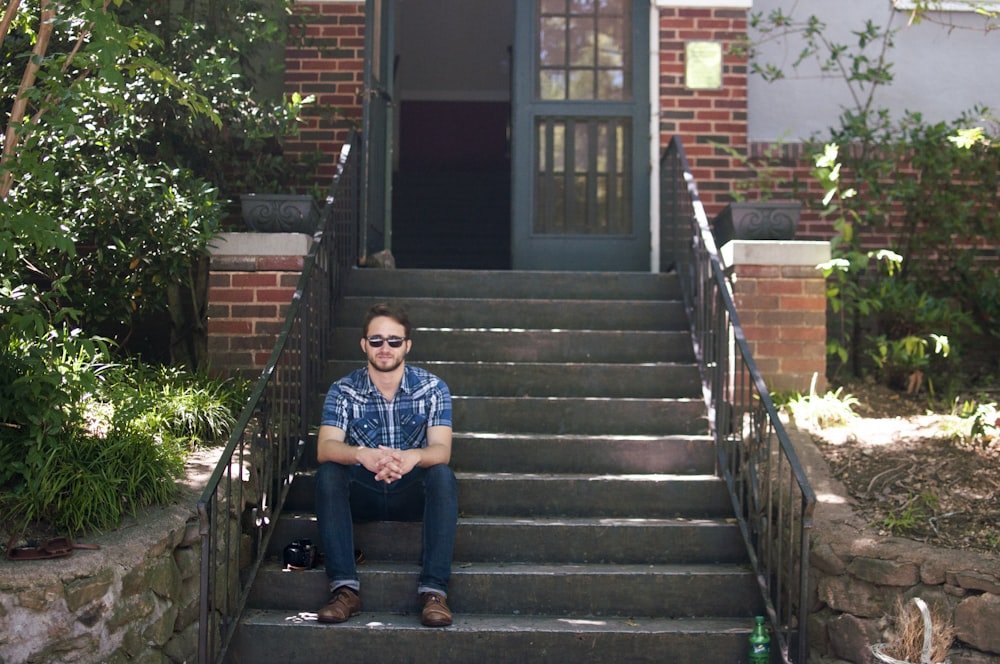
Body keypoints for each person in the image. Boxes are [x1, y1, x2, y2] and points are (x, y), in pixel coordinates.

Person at [314, 302, 458, 627]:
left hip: (410, 494)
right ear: (364, 344)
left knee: (442, 476)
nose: (385, 348)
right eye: (376, 340)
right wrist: (360, 454)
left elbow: (442, 450)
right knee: (329, 473)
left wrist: (412, 458)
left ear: (407, 345)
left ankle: (434, 592)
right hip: (363, 492)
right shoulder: (343, 390)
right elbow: (325, 447)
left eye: (394, 340)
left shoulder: (433, 389)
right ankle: (344, 590)